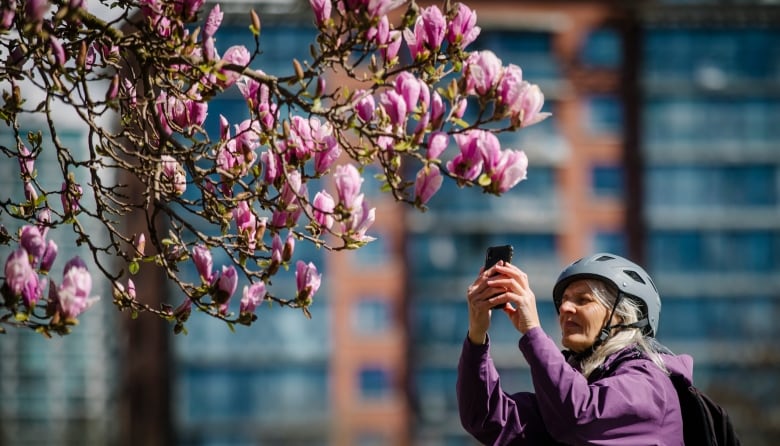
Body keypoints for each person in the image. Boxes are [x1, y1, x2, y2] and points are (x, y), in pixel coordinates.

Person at [457, 252, 693, 445]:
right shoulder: (570, 394)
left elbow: (582, 417)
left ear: (623, 315)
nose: (566, 308)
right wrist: (477, 336)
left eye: (583, 300)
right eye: (564, 301)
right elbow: (487, 420)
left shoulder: (650, 383)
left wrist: (533, 332)